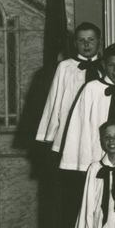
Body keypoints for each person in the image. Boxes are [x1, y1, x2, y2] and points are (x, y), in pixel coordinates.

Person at [59, 44, 115, 178]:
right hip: (98, 152)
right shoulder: (92, 88)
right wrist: (84, 163)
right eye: (111, 65)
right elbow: (80, 125)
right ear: (104, 65)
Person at [36, 21, 102, 152]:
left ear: (99, 41)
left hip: (99, 123)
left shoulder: (107, 66)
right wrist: (50, 131)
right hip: (71, 125)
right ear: (75, 43)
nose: (86, 44)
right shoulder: (65, 67)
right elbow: (55, 99)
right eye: (81, 40)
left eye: (91, 39)